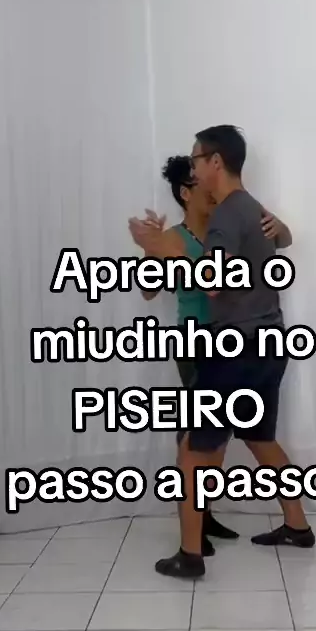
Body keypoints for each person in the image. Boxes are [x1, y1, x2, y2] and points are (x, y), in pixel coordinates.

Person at [154, 126, 315, 580]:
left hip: (235, 349)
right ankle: (298, 526)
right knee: (260, 438)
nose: (193, 168)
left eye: (195, 159)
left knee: (193, 451)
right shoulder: (253, 208)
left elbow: (215, 282)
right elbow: (275, 243)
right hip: (270, 342)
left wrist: (164, 254)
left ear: (215, 162)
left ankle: (189, 556)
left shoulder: (226, 215)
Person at [129, 154, 293, 559]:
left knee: (218, 440)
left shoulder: (232, 221)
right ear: (186, 193)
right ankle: (195, 530)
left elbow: (283, 239)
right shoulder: (175, 238)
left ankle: (203, 519)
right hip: (196, 344)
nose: (210, 188)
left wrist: (282, 227)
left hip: (239, 344)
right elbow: (148, 291)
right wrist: (153, 251)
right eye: (199, 184)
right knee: (197, 441)